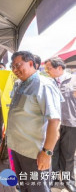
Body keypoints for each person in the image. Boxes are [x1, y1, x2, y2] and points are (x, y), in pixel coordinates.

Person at [7, 51, 62, 192]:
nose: (15, 70)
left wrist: (47, 153)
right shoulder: (22, 84)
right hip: (18, 149)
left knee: (37, 189)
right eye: (12, 67)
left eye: (18, 65)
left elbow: (54, 122)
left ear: (31, 63)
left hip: (34, 153)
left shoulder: (43, 85)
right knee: (24, 186)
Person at [45, 57, 76, 192]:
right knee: (53, 152)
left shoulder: (73, 80)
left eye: (49, 68)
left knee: (68, 154)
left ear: (59, 68)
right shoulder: (48, 82)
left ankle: (68, 179)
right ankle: (54, 177)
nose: (46, 71)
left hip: (70, 122)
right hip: (52, 124)